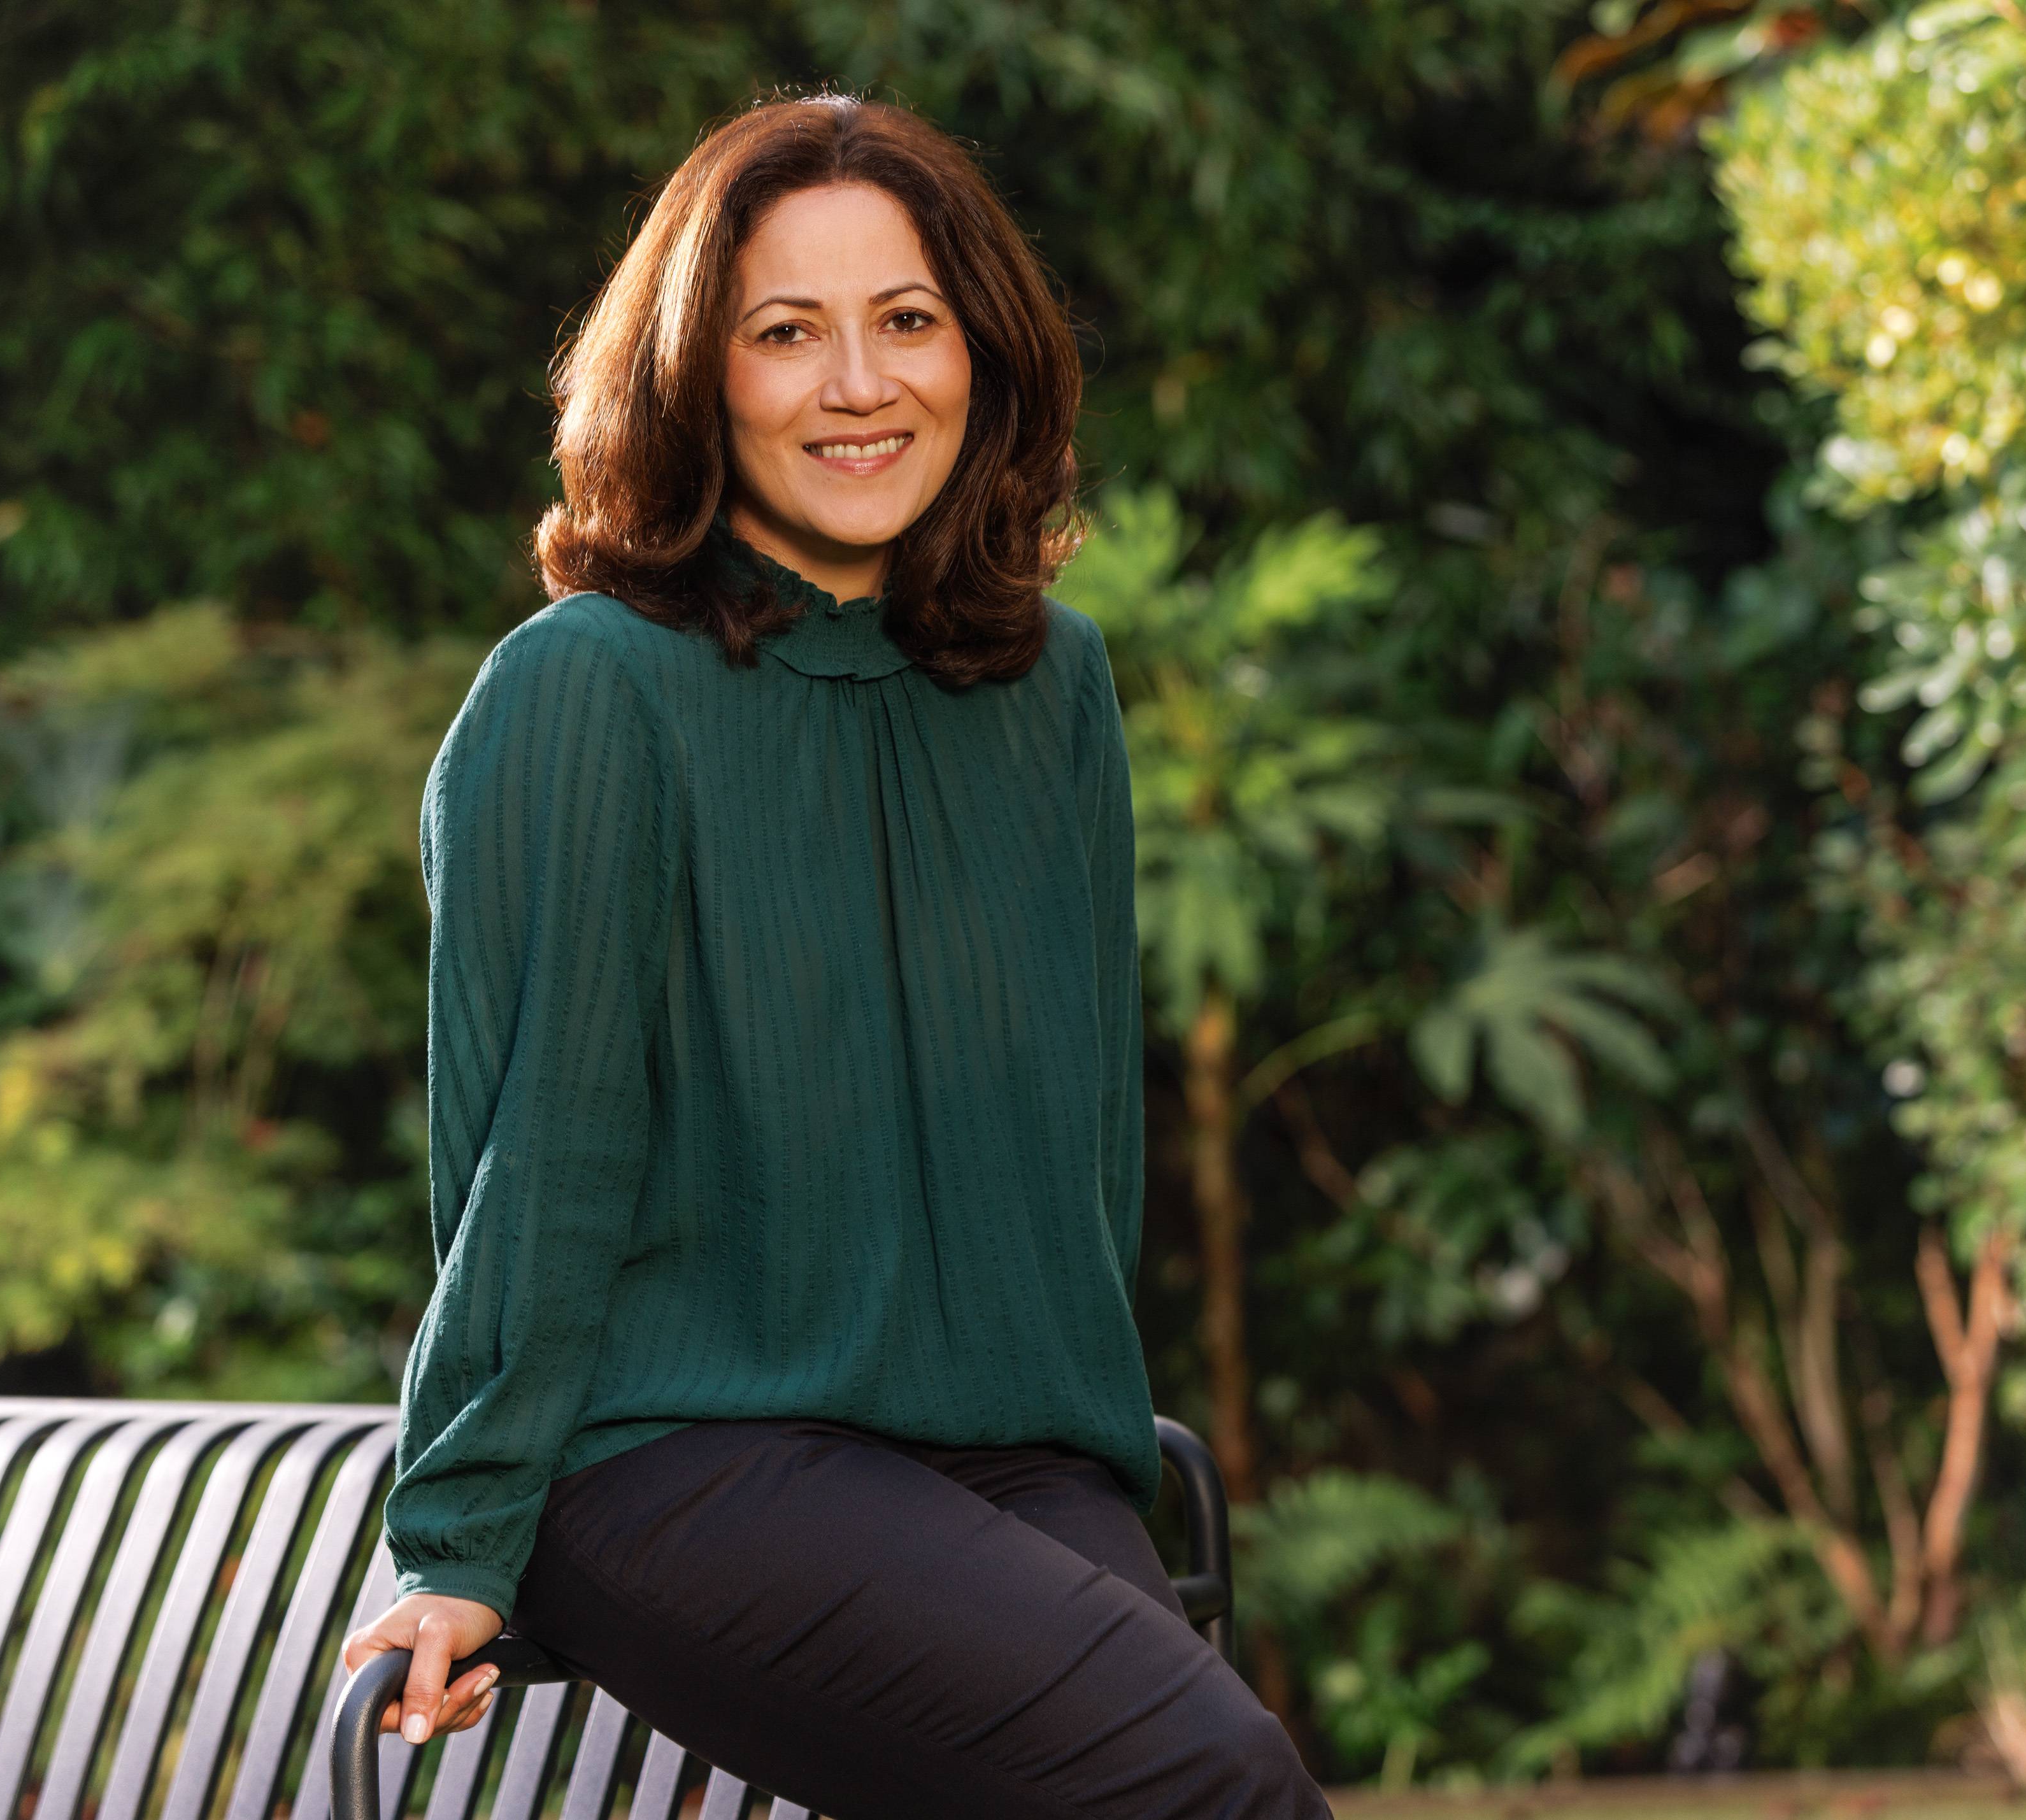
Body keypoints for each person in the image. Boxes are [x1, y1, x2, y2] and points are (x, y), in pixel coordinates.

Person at [338, 94, 1333, 1820]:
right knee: (1213, 1778)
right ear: (693, 377)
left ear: (984, 354)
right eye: (786, 333)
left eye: (908, 322)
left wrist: (1091, 1476)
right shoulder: (590, 689)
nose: (859, 386)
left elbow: (1080, 1139)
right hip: (683, 1454)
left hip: (1006, 1456)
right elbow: (541, 1153)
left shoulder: (1051, 687)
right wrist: (462, 1535)